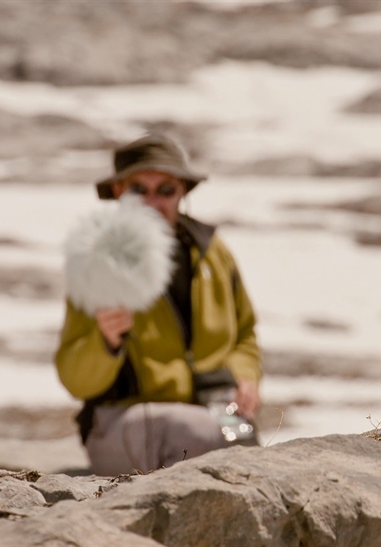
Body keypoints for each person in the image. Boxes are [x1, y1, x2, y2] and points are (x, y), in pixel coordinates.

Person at [54, 134, 262, 475]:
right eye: (139, 189)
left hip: (214, 413)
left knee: (233, 447)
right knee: (193, 433)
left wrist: (245, 377)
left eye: (165, 189)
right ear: (119, 192)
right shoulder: (95, 260)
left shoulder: (212, 253)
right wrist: (106, 343)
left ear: (182, 192)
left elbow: (244, 334)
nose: (153, 200)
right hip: (121, 420)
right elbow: (75, 379)